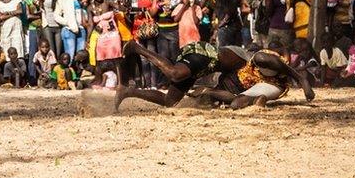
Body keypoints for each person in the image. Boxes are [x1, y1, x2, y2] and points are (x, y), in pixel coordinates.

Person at [115, 40, 314, 110]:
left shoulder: (237, 82)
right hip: (206, 54)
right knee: (175, 74)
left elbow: (234, 100)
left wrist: (208, 91)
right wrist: (302, 79)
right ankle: (137, 48)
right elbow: (268, 60)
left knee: (169, 101)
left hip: (205, 65)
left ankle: (128, 91)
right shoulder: (253, 58)